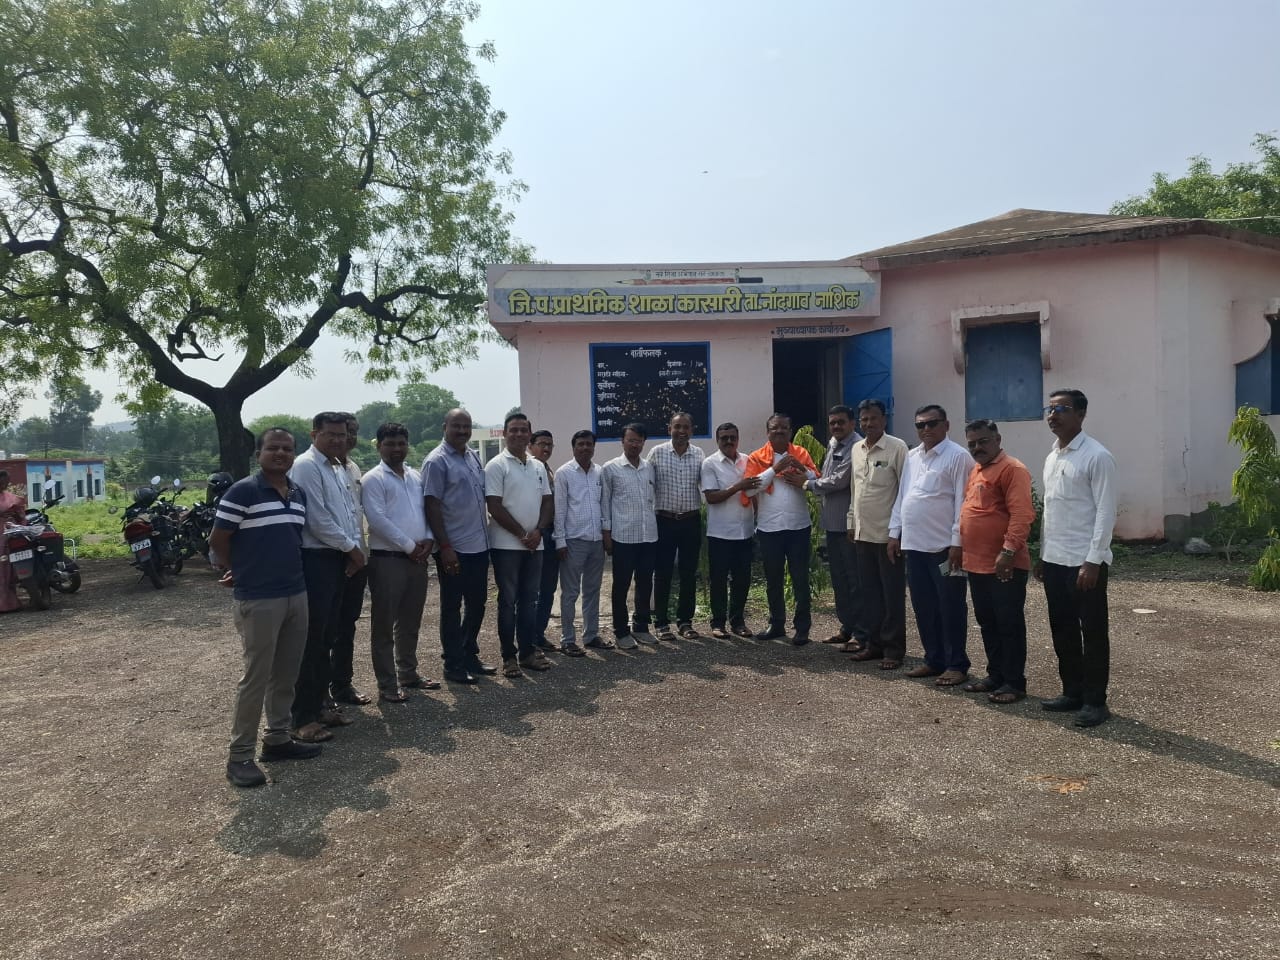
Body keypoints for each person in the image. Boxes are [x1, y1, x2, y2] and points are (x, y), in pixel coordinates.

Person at [209, 428, 321, 788]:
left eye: (287, 448)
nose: (281, 453)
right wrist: (238, 570)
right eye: (273, 448)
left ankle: (277, 739)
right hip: (259, 598)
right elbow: (218, 539)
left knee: (286, 673)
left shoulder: (298, 494)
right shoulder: (243, 491)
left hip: (296, 593)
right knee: (256, 677)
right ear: (259, 454)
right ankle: (240, 756)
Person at [1036, 389, 1117, 728]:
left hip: (1084, 563)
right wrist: (1043, 555)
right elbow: (1051, 511)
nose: (1053, 415)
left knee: (1092, 632)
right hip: (1055, 560)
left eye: (1062, 409)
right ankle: (1072, 691)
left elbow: (1106, 512)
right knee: (1063, 629)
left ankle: (1095, 702)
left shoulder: (1096, 456)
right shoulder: (1052, 456)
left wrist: (1093, 560)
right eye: (1050, 409)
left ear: (1081, 414)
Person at [289, 412, 367, 738]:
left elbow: (349, 515)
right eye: (330, 434)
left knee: (327, 638)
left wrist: (352, 550)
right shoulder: (306, 466)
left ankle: (321, 706)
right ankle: (301, 718)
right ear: (314, 434)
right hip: (317, 558)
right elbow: (318, 519)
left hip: (337, 557)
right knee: (312, 641)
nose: (338, 440)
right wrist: (352, 549)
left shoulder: (336, 467)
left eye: (342, 434)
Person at [890, 404, 972, 687]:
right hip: (915, 547)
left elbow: (963, 503)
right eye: (920, 425)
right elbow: (903, 497)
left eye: (932, 423)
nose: (926, 429)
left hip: (945, 549)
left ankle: (956, 664)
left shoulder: (958, 457)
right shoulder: (912, 457)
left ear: (946, 425)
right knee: (924, 606)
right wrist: (894, 533)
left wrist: (957, 542)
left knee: (951, 606)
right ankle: (933, 659)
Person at [958, 420, 1035, 704]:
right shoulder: (977, 469)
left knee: (1008, 623)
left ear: (997, 439)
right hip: (977, 564)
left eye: (983, 441)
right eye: (972, 443)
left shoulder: (1012, 469)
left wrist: (1009, 551)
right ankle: (996, 675)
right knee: (988, 622)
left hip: (1004, 564)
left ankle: (1014, 682)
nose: (977, 447)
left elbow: (1022, 514)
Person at [362, 422, 439, 694]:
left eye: (401, 443)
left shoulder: (415, 476)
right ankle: (387, 683)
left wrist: (428, 538)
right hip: (388, 560)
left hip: (417, 560)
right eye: (390, 444)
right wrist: (409, 546)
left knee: (410, 621)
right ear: (379, 446)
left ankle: (408, 673)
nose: (396, 449)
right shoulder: (373, 479)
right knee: (384, 624)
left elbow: (425, 510)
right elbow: (377, 519)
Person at [423, 408, 498, 682]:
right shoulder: (436, 461)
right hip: (454, 547)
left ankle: (469, 654)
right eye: (456, 426)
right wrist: (444, 547)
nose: (462, 431)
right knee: (452, 607)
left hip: (478, 544)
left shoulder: (472, 456)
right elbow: (431, 505)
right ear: (445, 427)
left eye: (467, 426)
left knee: (478, 603)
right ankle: (453, 664)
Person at [485, 412, 554, 677]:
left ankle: (527, 653)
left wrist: (538, 531)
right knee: (508, 601)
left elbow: (547, 502)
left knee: (529, 601)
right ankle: (508, 657)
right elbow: (494, 505)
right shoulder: (496, 465)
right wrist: (521, 534)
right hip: (506, 547)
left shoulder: (537, 466)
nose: (518, 434)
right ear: (504, 433)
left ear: (529, 434)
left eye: (523, 430)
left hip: (535, 545)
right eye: (513, 430)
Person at [742, 413, 818, 645]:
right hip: (769, 529)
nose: (780, 431)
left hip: (798, 527)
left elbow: (816, 480)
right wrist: (774, 469)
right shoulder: (757, 457)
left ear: (790, 431)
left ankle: (802, 628)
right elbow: (750, 489)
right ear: (768, 432)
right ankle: (776, 624)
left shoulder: (801, 453)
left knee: (800, 579)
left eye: (784, 427)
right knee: (773, 580)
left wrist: (801, 470)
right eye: (775, 428)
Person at [845, 399, 908, 670]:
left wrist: (897, 533)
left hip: (888, 536)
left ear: (884, 419)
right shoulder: (857, 449)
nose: (868, 423)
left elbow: (905, 492)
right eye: (864, 419)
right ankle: (874, 645)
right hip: (863, 534)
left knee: (891, 594)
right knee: (869, 593)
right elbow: (855, 489)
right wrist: (851, 521)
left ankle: (893, 650)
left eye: (873, 418)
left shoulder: (897, 448)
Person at [804, 405, 866, 647]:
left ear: (852, 423)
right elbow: (825, 476)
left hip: (849, 527)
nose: (836, 426)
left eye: (841, 422)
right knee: (839, 580)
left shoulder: (856, 446)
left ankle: (861, 633)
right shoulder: (834, 444)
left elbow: (839, 481)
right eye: (833, 423)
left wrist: (806, 484)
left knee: (854, 581)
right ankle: (846, 627)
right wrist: (807, 474)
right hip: (832, 525)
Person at [647, 411, 706, 640]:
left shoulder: (699, 454)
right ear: (669, 429)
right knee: (662, 573)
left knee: (688, 573)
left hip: (690, 521)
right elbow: (646, 485)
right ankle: (661, 622)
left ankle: (685, 622)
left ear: (692, 430)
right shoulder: (657, 453)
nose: (681, 431)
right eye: (677, 427)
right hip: (664, 521)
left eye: (685, 427)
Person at [601, 422, 658, 649]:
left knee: (645, 584)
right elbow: (605, 503)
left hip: (648, 536)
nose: (635, 444)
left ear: (644, 443)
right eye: (631, 440)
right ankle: (621, 631)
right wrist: (607, 534)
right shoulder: (610, 468)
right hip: (623, 537)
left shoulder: (649, 468)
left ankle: (641, 627)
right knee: (621, 586)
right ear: (622, 441)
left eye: (639, 441)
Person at [328, 413, 373, 708]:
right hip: (334, 558)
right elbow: (322, 518)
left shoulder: (353, 467)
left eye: (352, 432)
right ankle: (319, 691)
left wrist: (359, 555)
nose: (348, 438)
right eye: (343, 433)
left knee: (347, 625)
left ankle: (342, 683)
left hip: (358, 558)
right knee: (326, 628)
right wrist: (349, 551)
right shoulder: (318, 468)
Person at [700, 422, 760, 639]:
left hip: (745, 531)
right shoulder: (710, 463)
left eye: (732, 437)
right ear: (717, 440)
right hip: (720, 533)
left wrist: (757, 517)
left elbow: (755, 492)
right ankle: (717, 623)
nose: (729, 441)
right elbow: (711, 497)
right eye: (724, 438)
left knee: (742, 580)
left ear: (738, 439)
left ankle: (738, 622)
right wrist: (738, 486)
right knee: (718, 580)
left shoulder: (747, 460)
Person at [553, 429, 608, 655]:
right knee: (570, 593)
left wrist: (605, 535)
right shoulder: (564, 473)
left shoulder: (599, 472)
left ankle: (591, 635)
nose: (585, 448)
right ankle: (567, 639)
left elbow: (603, 505)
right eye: (581, 444)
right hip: (573, 541)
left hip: (596, 542)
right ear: (573, 447)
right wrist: (560, 541)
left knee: (593, 590)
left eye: (589, 444)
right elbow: (559, 509)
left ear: (594, 447)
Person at [530, 429, 561, 654]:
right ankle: (527, 638)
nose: (546, 448)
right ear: (531, 446)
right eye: (542, 444)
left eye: (550, 444)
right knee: (532, 591)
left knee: (548, 589)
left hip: (551, 535)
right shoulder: (528, 469)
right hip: (534, 535)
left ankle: (538, 634)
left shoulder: (548, 470)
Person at [0, 470, 27, 613]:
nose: (4, 484)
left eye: (6, 482)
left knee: (8, 569)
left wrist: (20, 525)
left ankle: (9, 602)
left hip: (9, 535)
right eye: (2, 482)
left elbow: (21, 516)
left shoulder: (12, 498)